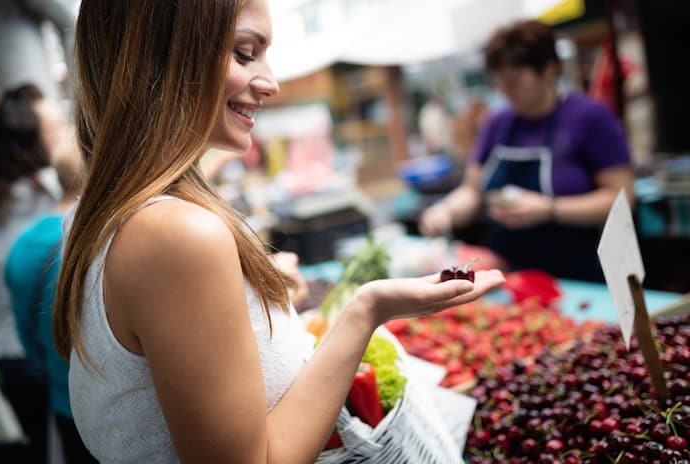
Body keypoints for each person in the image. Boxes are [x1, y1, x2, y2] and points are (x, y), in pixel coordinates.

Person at [52, 1, 504, 463]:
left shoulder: (95, 216)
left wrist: (263, 297)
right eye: (245, 53)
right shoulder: (177, 234)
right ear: (163, 54)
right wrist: (366, 310)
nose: (271, 82)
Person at [420, 20, 634, 282]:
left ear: (549, 69)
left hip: (580, 275)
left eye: (514, 81)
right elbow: (472, 190)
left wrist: (549, 208)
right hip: (510, 275)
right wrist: (446, 211)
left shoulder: (590, 117)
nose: (504, 91)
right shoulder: (497, 124)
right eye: (498, 82)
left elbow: (621, 199)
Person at [6, 138, 97, 463]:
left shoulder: (23, 246)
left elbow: (27, 340)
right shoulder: (104, 235)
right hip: (118, 407)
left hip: (63, 398)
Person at [0, 83, 64, 462]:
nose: (64, 136)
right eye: (56, 128)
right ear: (32, 139)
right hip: (47, 355)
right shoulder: (55, 195)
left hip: (9, 357)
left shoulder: (1, 202)